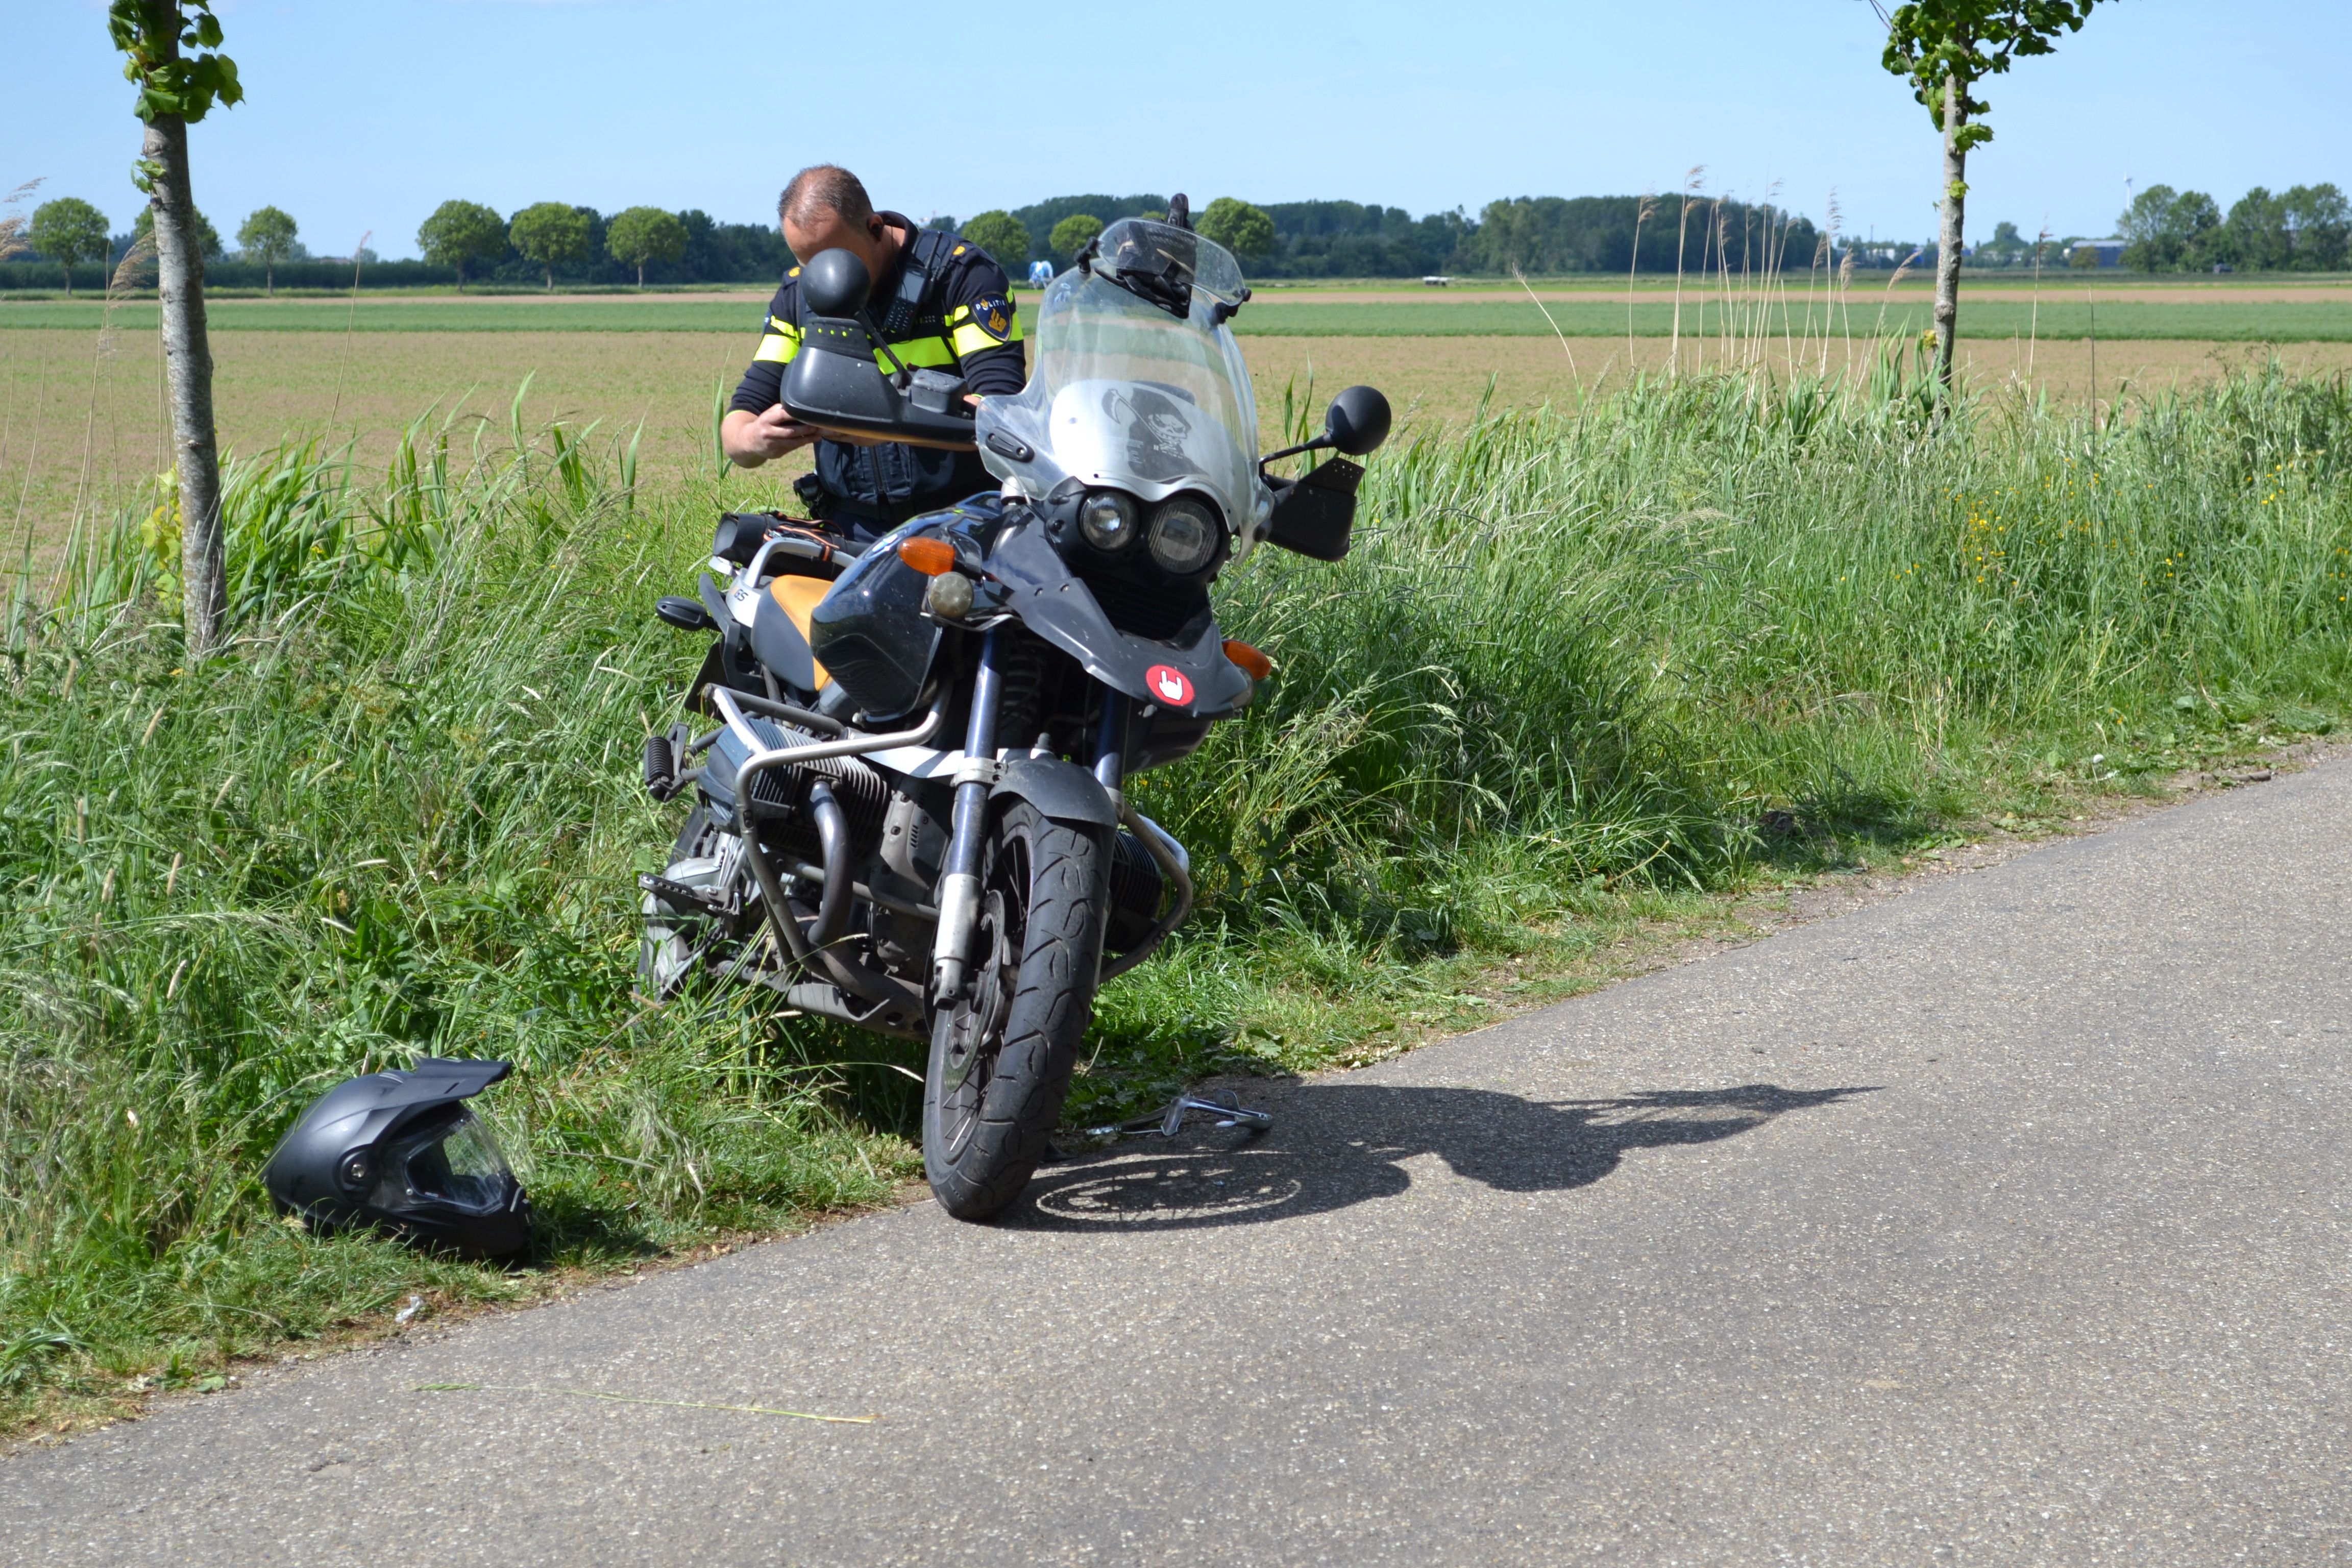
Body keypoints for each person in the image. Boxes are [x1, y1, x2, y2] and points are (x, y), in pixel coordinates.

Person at [722, 165, 1026, 541]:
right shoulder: (798, 297)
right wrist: (756, 439)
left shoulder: (962, 276)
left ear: (876, 228)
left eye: (839, 259)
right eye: (809, 264)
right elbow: (737, 427)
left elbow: (1001, 415)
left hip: (966, 521)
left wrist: (889, 426)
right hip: (852, 531)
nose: (827, 277)